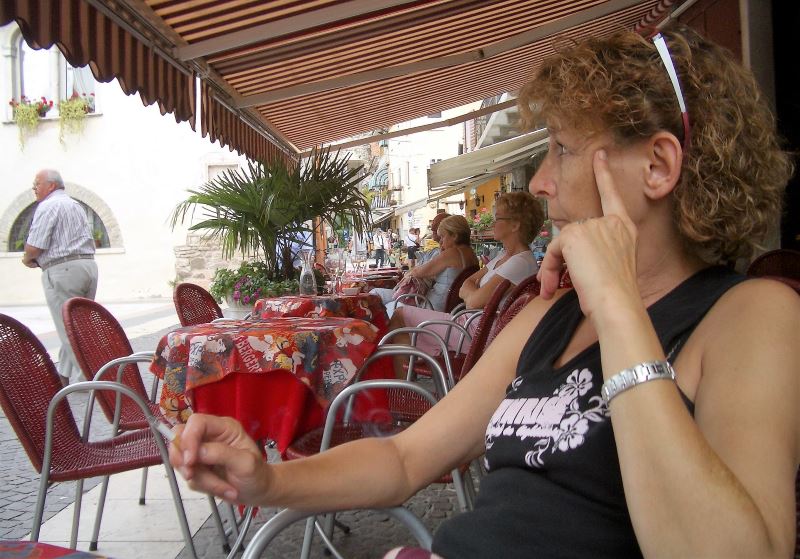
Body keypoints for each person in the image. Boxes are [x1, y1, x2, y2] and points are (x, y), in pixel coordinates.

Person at [169, 24, 799, 559]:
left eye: (561, 149)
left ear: (657, 166)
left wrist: (617, 305)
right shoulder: (552, 315)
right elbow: (405, 460)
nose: (541, 182)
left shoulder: (751, 317)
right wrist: (268, 480)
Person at [387, 191, 543, 363]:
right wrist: (473, 293)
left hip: (477, 332)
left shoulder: (520, 263)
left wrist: (472, 293)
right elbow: (466, 285)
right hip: (470, 323)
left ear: (515, 225)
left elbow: (473, 301)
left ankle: (403, 380)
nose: (493, 222)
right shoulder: (505, 257)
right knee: (401, 318)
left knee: (400, 316)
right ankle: (411, 375)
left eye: (498, 218)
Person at [22, 169, 98, 386]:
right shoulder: (75, 205)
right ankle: (63, 377)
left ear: (51, 185)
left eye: (37, 183)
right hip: (87, 266)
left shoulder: (48, 206)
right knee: (77, 325)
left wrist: (27, 258)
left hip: (63, 270)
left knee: (68, 329)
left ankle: (86, 380)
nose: (34, 188)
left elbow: (35, 246)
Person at [372, 216, 478, 316]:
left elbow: (418, 272)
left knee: (388, 306)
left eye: (443, 236)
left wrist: (411, 272)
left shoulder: (452, 253)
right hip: (450, 308)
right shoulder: (471, 255)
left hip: (433, 307)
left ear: (454, 236)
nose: (441, 241)